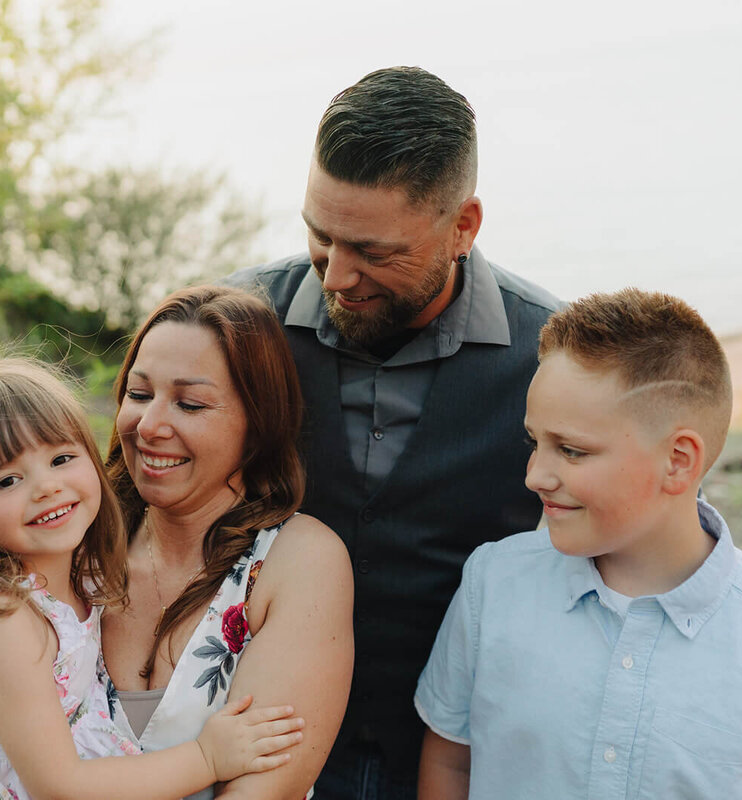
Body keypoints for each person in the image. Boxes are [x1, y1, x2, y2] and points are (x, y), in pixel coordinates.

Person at [223, 66, 563, 797]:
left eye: (374, 251)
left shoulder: (557, 357)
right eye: (321, 236)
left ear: (462, 226)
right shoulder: (234, 323)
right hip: (253, 751)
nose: (338, 276)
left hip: (466, 758)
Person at [415, 288, 742, 798]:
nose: (535, 476)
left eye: (571, 451)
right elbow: (452, 762)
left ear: (679, 460)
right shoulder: (493, 583)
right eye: (536, 442)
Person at [0, 356, 305, 800]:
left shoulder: (80, 578)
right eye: (6, 481)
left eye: (61, 458)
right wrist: (208, 758)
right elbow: (62, 786)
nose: (45, 487)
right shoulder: (1, 619)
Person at [100, 285, 354, 800]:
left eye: (190, 404)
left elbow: (266, 788)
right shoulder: (78, 543)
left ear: (257, 424)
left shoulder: (298, 562)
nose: (149, 426)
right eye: (139, 394)